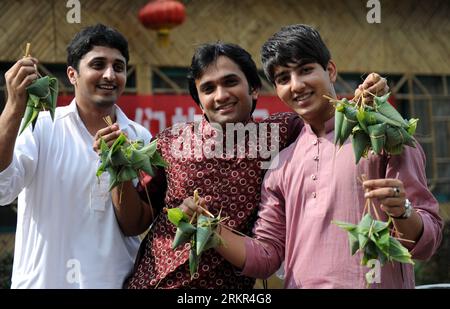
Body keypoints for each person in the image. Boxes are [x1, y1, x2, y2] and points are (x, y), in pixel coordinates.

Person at [96, 41, 388, 288]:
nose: (221, 95)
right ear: (199, 101)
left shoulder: (282, 133)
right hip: (154, 282)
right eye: (208, 88)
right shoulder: (171, 143)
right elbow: (135, 223)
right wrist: (116, 165)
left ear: (254, 90)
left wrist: (369, 97)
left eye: (230, 82)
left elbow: (328, 115)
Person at [186, 24, 443, 288]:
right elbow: (266, 256)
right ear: (276, 89)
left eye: (306, 70)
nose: (296, 85)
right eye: (284, 78)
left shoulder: (383, 136)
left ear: (330, 70)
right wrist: (209, 227)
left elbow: (428, 242)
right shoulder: (281, 164)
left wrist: (403, 212)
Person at [0, 24, 152, 288]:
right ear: (72, 74)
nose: (109, 75)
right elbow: (2, 189)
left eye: (118, 67)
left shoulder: (140, 137)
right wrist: (14, 106)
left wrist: (120, 171)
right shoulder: (41, 126)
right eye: (98, 64)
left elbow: (135, 224)